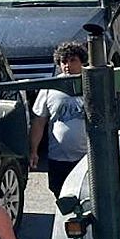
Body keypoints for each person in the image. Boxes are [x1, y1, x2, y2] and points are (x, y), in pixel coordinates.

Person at [30, 42, 89, 199]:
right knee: (61, 196)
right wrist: (34, 151)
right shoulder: (50, 87)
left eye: (72, 60)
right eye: (64, 62)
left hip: (86, 158)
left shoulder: (92, 85)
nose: (68, 65)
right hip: (58, 158)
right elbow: (39, 121)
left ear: (82, 62)